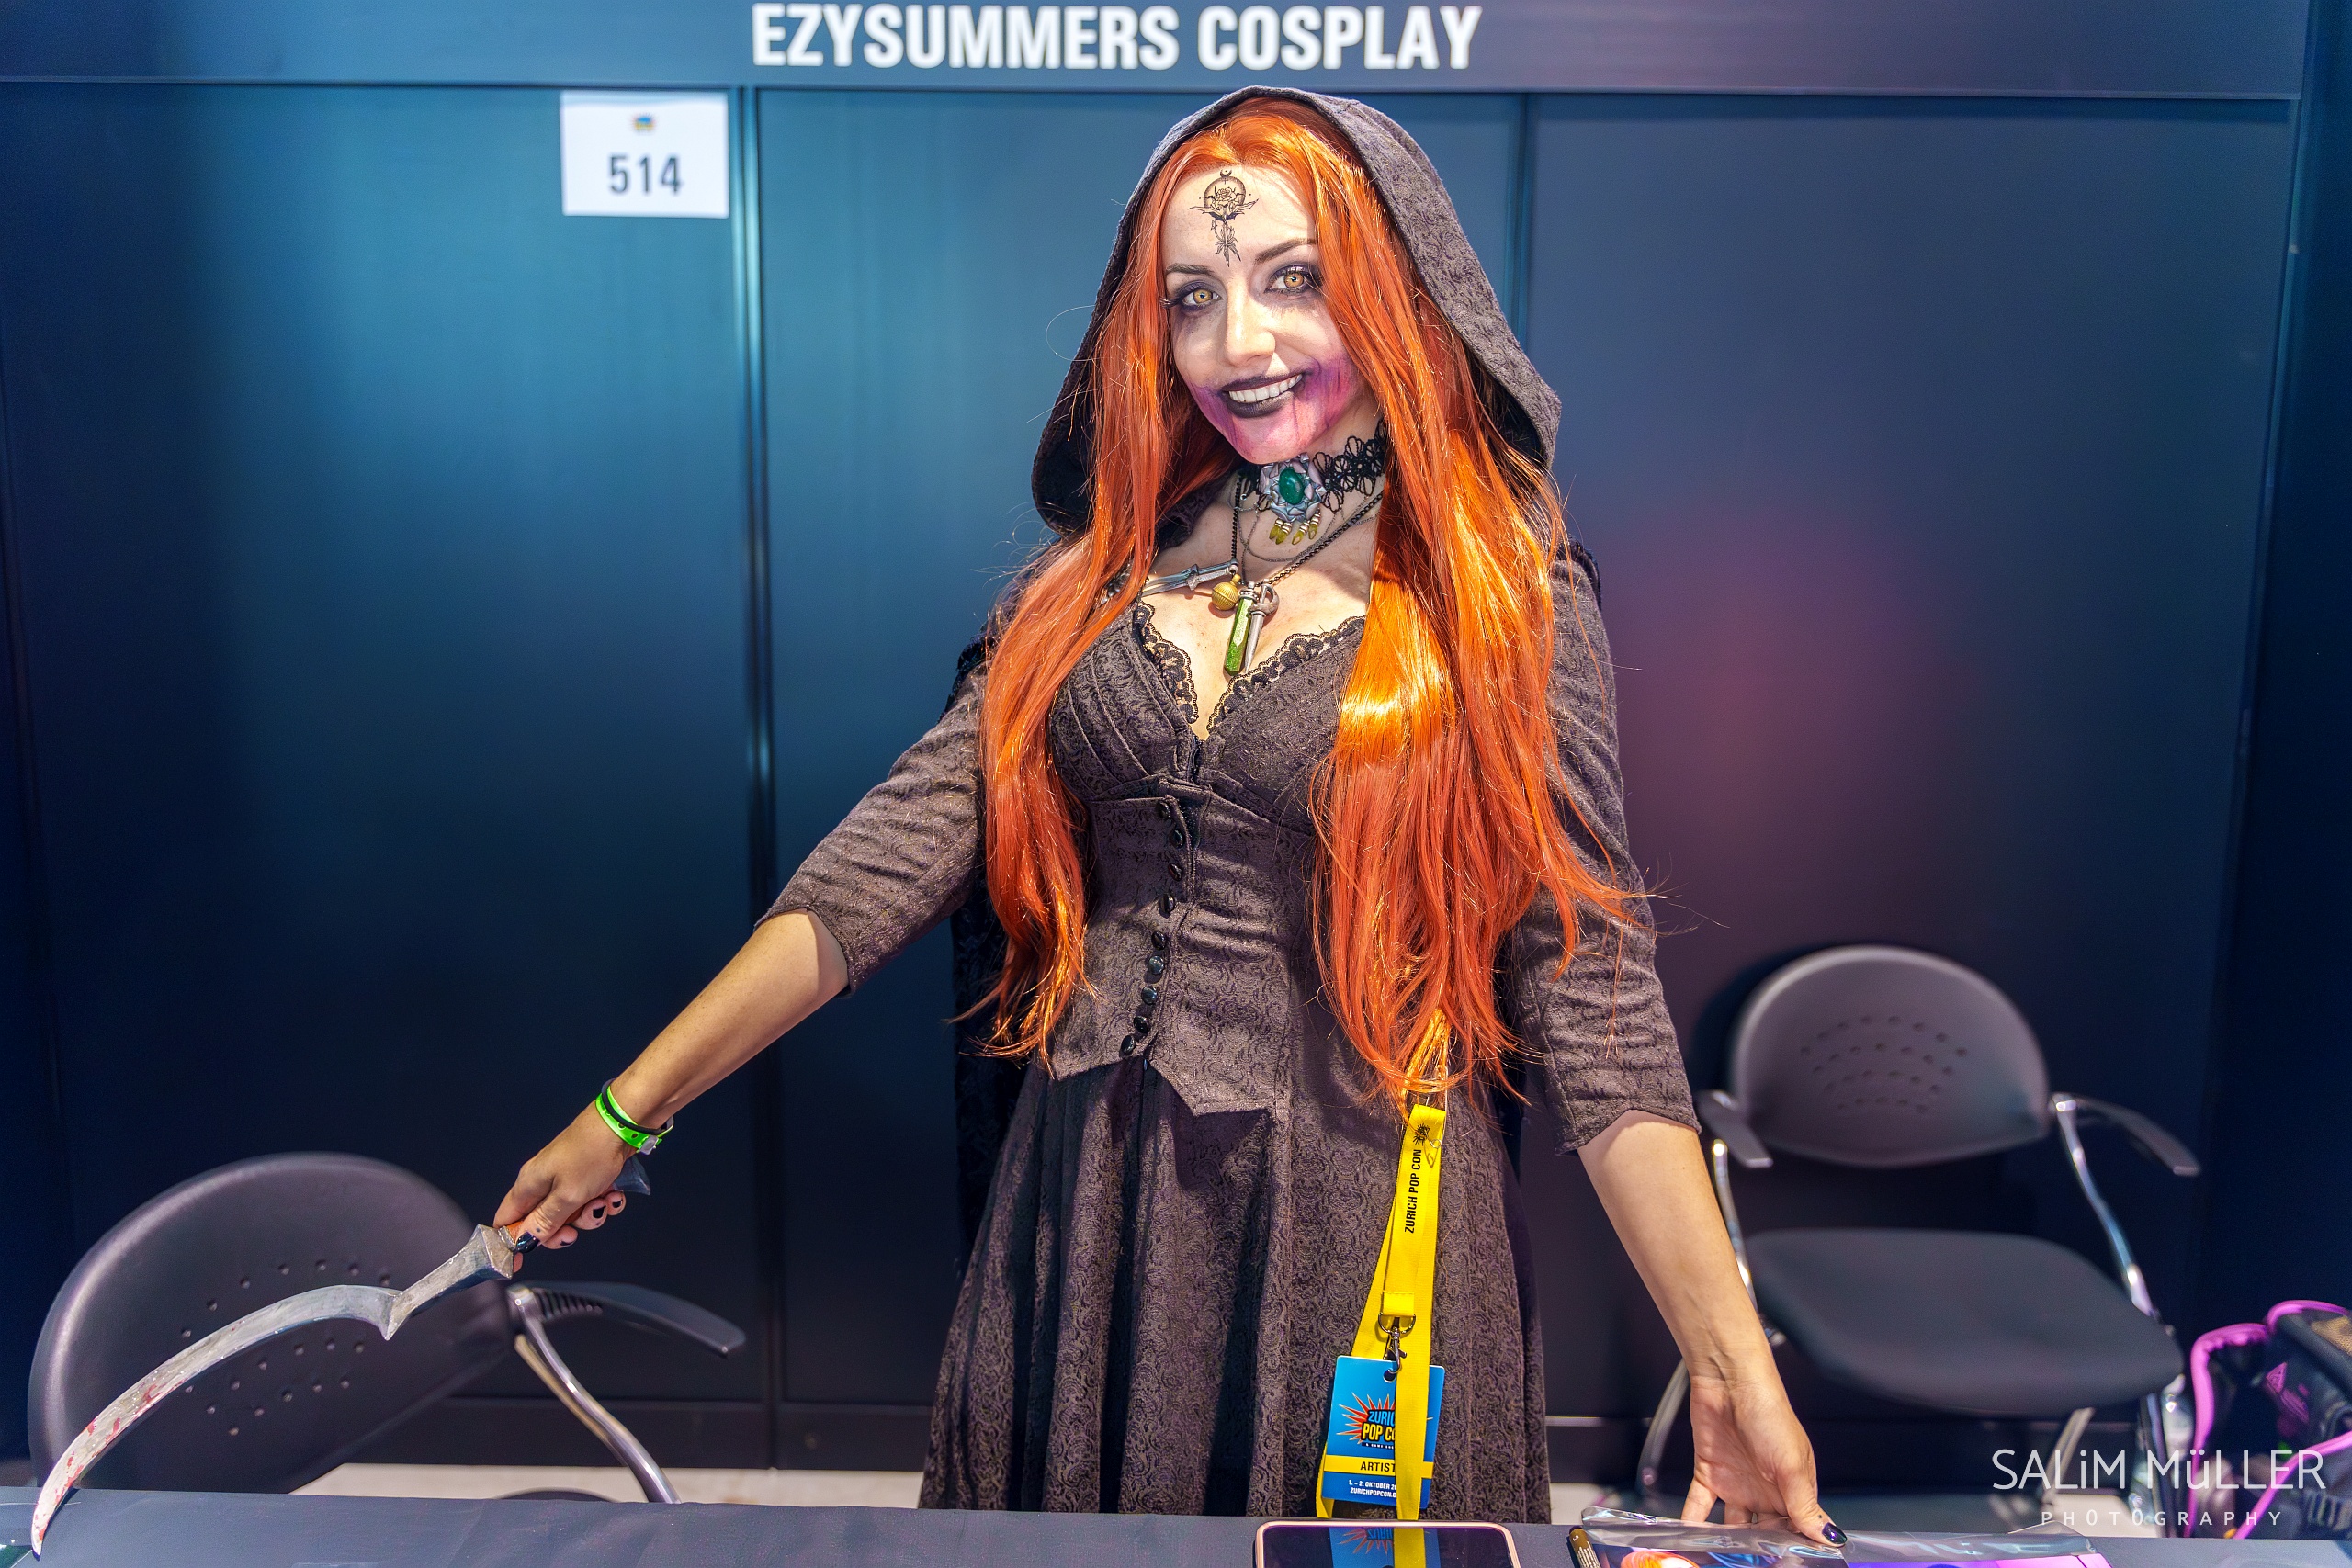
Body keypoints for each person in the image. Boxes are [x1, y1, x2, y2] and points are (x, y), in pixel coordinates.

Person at [496, 87, 1837, 1535]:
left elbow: (1592, 993)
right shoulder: (1101, 578)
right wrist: (629, 1110)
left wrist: (1729, 1367)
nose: (1238, 344)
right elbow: (879, 868)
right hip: (1083, 1216)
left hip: (1353, 1231)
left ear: (1403, 293)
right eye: (1192, 298)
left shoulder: (1503, 597)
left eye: (1294, 280)